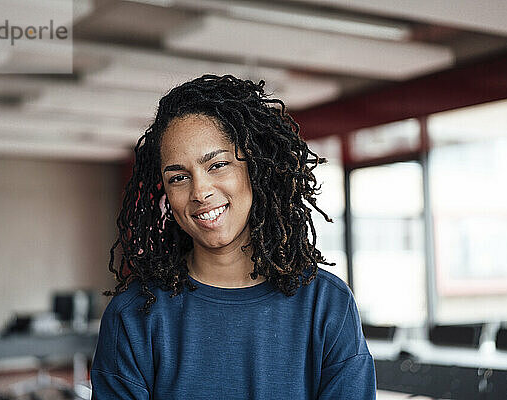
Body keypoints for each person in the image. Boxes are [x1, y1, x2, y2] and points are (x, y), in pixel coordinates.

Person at [90, 74, 376, 399]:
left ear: (254, 167)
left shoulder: (326, 305)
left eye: (217, 165)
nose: (199, 192)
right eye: (179, 177)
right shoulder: (133, 316)